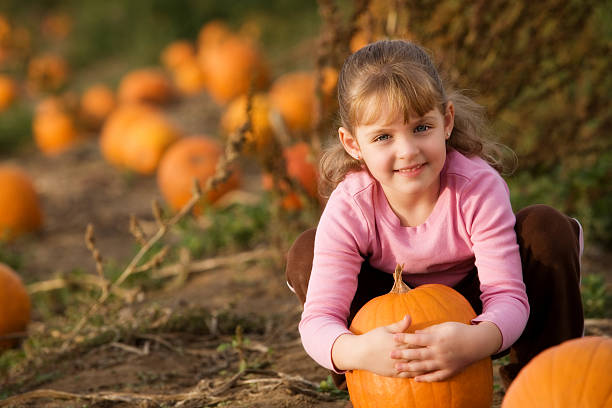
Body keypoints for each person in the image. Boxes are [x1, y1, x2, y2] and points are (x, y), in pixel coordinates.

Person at [285, 39, 584, 392]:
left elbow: (507, 296)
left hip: (473, 303)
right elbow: (318, 321)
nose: (408, 151)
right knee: (308, 251)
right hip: (385, 311)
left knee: (546, 230)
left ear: (446, 121)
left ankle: (543, 382)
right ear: (353, 145)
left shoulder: (476, 188)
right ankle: (370, 376)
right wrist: (358, 349)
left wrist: (476, 340)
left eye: (421, 128)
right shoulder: (352, 204)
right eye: (383, 136)